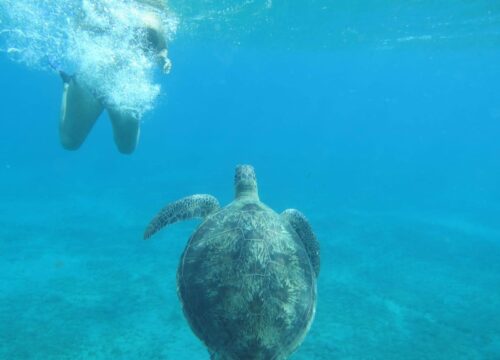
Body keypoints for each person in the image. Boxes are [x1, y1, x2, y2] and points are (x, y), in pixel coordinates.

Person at [59, 0, 172, 154]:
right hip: (90, 82)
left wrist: (163, 58)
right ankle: (68, 85)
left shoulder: (154, 8)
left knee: (127, 148)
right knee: (69, 142)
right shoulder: (96, 4)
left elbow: (161, 45)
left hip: (126, 90)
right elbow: (77, 28)